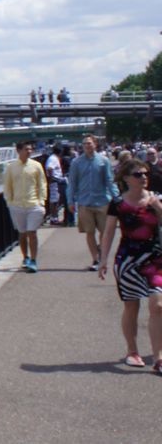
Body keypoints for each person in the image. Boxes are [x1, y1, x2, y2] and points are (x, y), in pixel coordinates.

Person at [97, 159, 162, 373]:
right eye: (138, 174)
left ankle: (158, 357)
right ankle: (132, 351)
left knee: (158, 305)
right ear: (126, 178)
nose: (143, 177)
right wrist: (103, 259)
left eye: (145, 173)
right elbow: (108, 232)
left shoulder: (156, 198)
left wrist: (157, 208)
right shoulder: (118, 203)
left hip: (155, 259)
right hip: (128, 261)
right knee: (131, 306)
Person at [68, 135, 120, 270]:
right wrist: (70, 200)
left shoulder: (103, 161)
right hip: (84, 202)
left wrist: (117, 198)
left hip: (102, 200)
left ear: (95, 144)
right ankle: (96, 259)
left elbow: (109, 180)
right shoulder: (76, 162)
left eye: (90, 143)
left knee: (104, 231)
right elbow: (72, 183)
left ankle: (101, 252)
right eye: (85, 144)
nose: (87, 146)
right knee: (89, 232)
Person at [3, 140, 47, 272]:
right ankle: (25, 257)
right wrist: (9, 202)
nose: (29, 151)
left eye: (30, 149)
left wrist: (42, 202)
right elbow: (7, 186)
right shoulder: (11, 167)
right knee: (22, 234)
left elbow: (42, 184)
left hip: (33, 204)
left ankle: (33, 260)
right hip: (17, 205)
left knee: (32, 232)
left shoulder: (36, 166)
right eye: (26, 149)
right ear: (19, 151)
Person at [45, 145, 66, 225]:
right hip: (54, 181)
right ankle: (53, 218)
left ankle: (54, 217)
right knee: (54, 200)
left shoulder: (54, 158)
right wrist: (52, 178)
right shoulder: (53, 158)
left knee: (56, 200)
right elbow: (49, 168)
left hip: (56, 181)